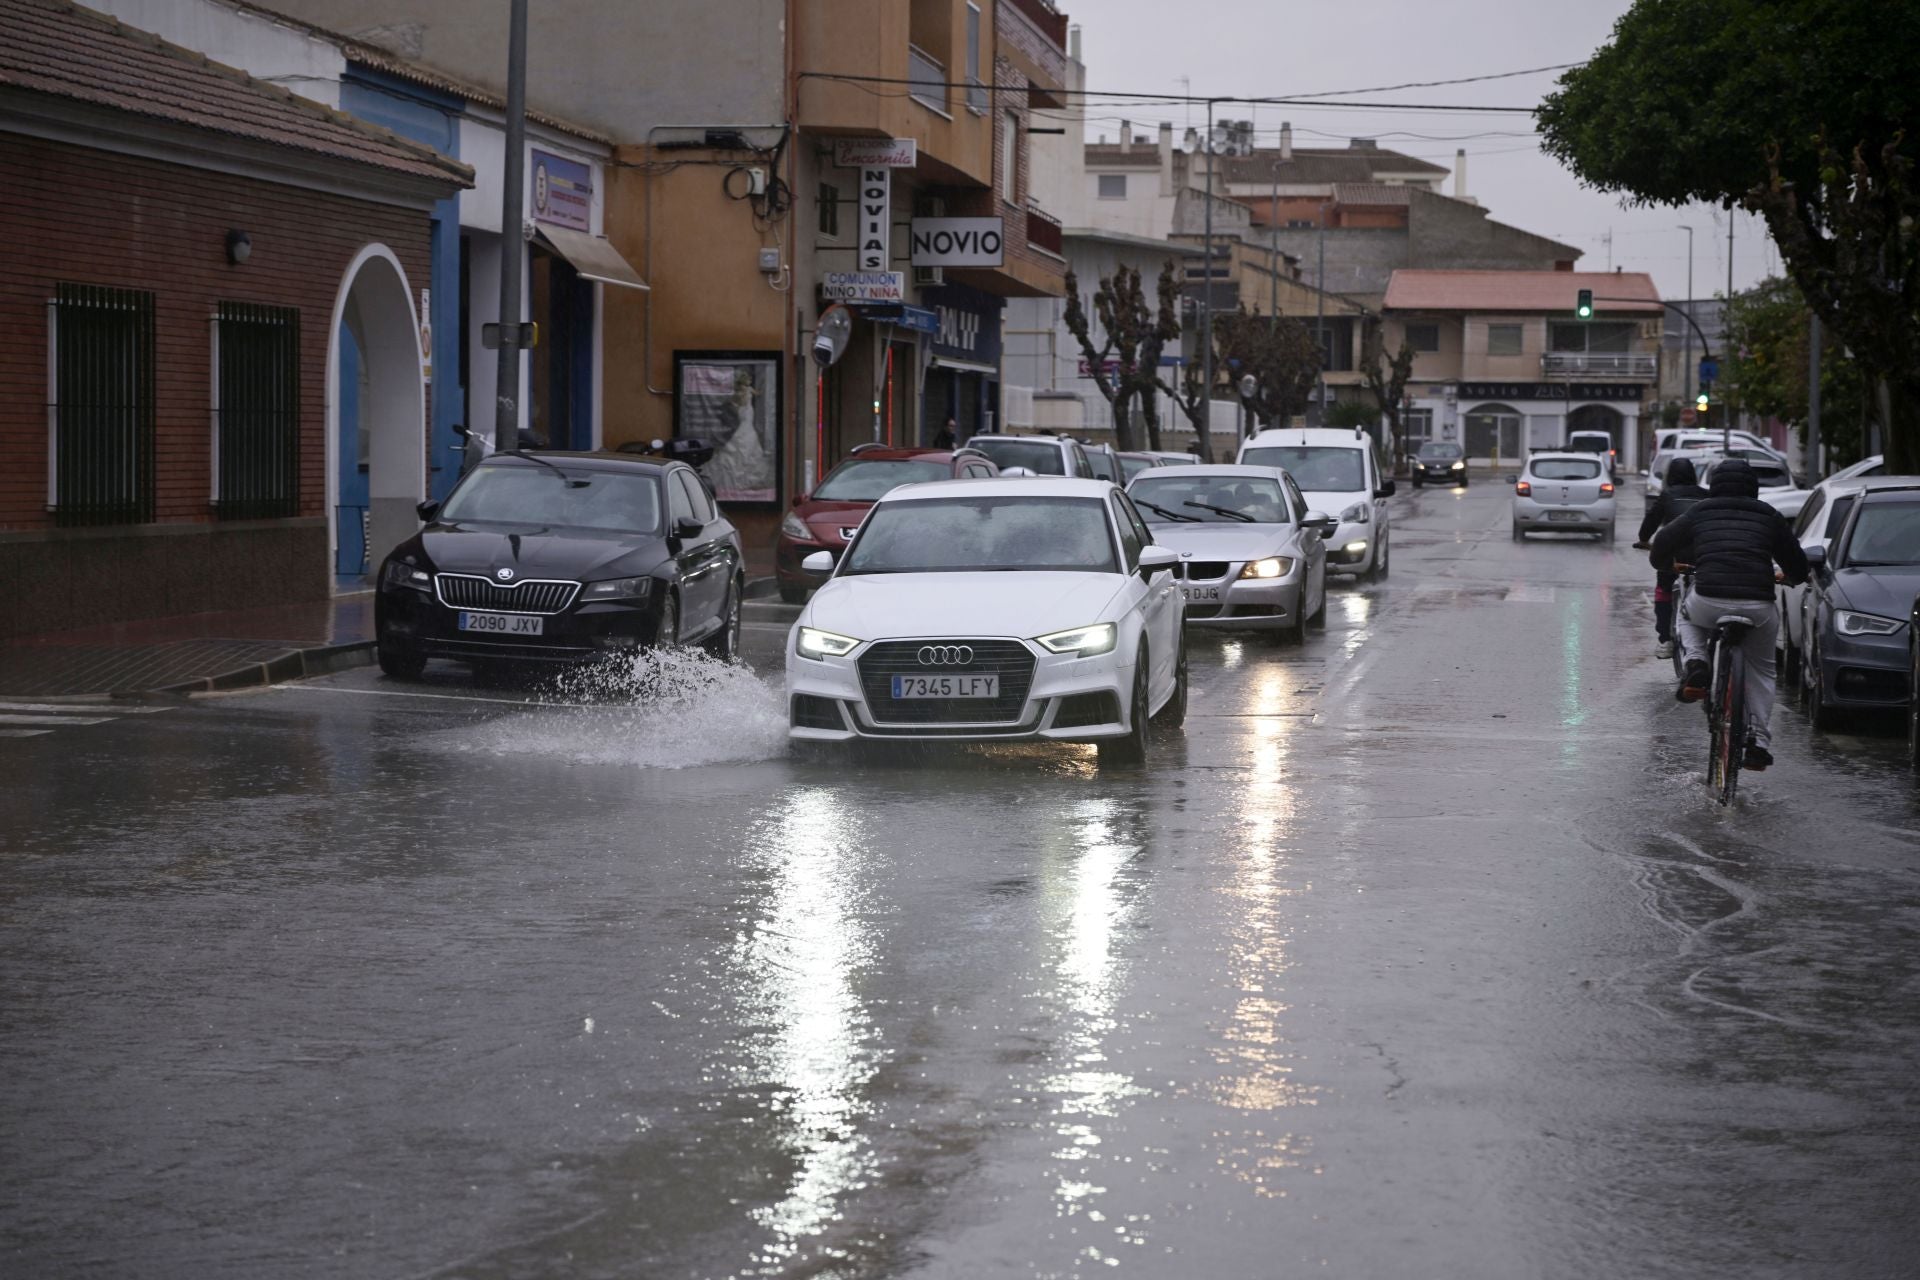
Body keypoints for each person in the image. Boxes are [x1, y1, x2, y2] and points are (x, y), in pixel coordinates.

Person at [1648, 458, 1810, 771]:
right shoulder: (1768, 515)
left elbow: (1662, 543)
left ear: (1714, 485)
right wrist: (1788, 576)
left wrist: (1666, 566)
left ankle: (1696, 664)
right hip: (1758, 604)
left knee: (1686, 615)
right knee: (1763, 670)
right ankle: (1758, 743)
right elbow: (1798, 565)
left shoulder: (1701, 511)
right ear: (1754, 487)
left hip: (1709, 599)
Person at [1634, 455, 1710, 658]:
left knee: (1664, 589)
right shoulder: (1706, 494)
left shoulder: (1667, 495)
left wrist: (1643, 539)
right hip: (1702, 553)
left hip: (1675, 555)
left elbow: (1651, 520)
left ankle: (1665, 640)